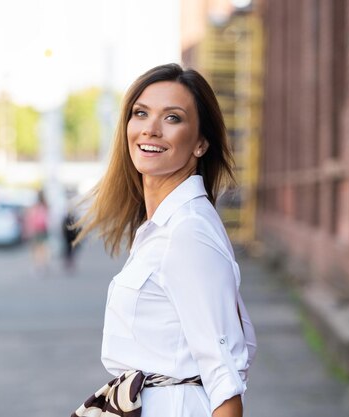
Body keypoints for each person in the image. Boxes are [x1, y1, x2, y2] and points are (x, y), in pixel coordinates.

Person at [71, 63, 257, 417]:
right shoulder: (162, 228)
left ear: (201, 143)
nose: (150, 129)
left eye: (172, 118)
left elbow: (225, 376)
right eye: (140, 113)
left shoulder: (188, 231)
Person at [25, 190, 50, 274]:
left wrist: (28, 230)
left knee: (36, 249)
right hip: (44, 229)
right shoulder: (46, 206)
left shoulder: (35, 207)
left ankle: (38, 265)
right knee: (43, 248)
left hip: (37, 230)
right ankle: (43, 264)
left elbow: (30, 219)